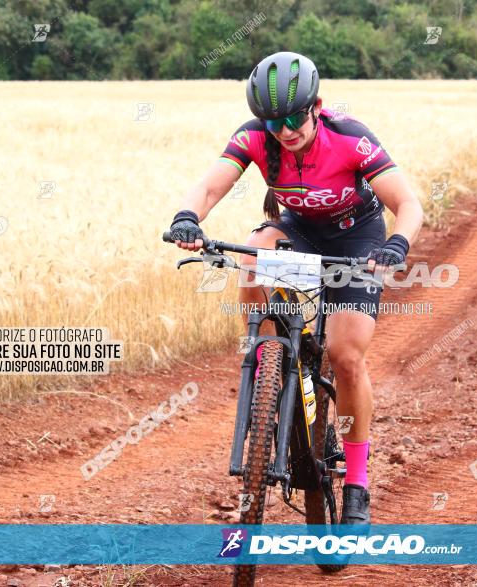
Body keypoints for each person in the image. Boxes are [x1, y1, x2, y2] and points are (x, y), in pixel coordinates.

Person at [167, 51, 424, 525]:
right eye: (273, 122)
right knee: (252, 252)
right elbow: (208, 188)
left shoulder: (349, 137)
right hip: (300, 231)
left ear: (316, 105)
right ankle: (269, 357)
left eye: (293, 118)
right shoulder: (256, 138)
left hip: (357, 238)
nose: (285, 130)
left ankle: (359, 485)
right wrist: (188, 217)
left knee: (346, 357)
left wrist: (396, 244)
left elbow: (407, 202)